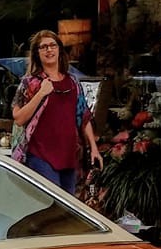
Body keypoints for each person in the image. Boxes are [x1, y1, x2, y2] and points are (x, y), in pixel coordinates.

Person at [10, 30, 103, 193]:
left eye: (53, 45)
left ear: (60, 50)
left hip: (69, 156)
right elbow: (18, 118)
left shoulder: (72, 82)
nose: (49, 50)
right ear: (37, 53)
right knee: (52, 201)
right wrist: (41, 93)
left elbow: (84, 117)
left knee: (67, 204)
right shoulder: (30, 83)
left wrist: (94, 148)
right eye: (43, 47)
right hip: (41, 155)